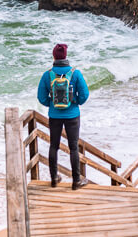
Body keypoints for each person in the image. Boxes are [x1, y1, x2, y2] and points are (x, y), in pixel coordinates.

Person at [37, 43, 90, 189]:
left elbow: (41, 97)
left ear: (54, 56)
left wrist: (52, 104)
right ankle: (76, 181)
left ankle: (54, 178)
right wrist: (74, 101)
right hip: (72, 115)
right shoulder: (75, 73)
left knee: (54, 146)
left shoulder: (48, 74)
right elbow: (84, 95)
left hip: (54, 116)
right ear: (65, 56)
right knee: (73, 147)